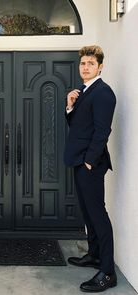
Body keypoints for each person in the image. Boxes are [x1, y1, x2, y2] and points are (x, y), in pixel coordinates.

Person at [64, 45, 117, 293]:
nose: (85, 67)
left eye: (90, 64)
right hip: (79, 160)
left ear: (100, 67)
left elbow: (101, 131)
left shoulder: (104, 93)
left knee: (98, 216)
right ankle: (94, 256)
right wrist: (70, 106)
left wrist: (89, 161)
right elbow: (79, 126)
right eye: (83, 63)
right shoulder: (85, 91)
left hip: (90, 164)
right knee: (87, 214)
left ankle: (107, 272)